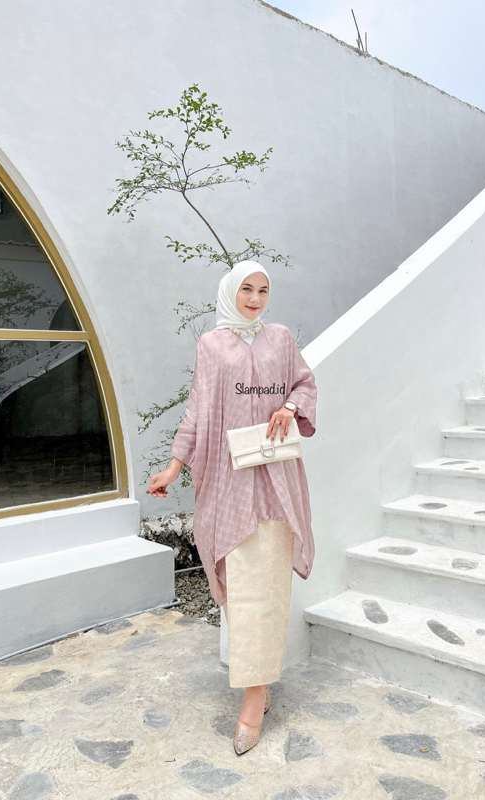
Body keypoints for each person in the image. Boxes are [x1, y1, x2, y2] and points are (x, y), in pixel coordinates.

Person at [147, 259, 318, 754]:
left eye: (263, 290)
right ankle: (257, 683)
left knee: (268, 588)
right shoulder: (212, 345)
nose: (255, 299)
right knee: (241, 589)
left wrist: (289, 406)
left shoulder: (281, 339)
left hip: (276, 480)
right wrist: (175, 466)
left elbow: (304, 383)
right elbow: (198, 409)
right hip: (230, 481)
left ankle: (256, 694)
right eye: (246, 289)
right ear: (229, 292)